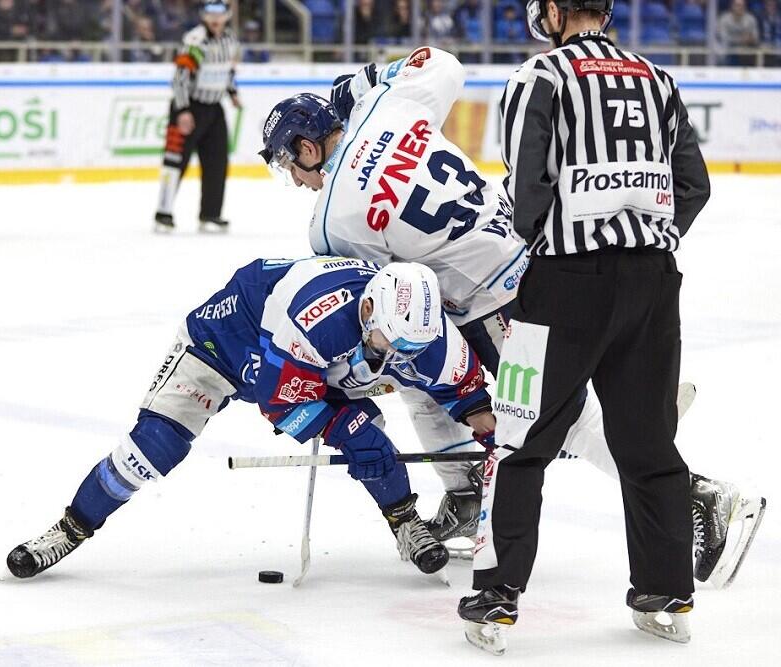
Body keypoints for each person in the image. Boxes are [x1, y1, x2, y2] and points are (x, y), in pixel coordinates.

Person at [259, 47, 764, 587]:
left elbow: (381, 296)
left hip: (493, 303)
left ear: (309, 147)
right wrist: (364, 83)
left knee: (555, 417)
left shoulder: (331, 223)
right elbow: (443, 62)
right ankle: (465, 492)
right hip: (537, 257)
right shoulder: (390, 106)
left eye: (291, 166)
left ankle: (695, 495)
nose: (296, 181)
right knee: (425, 385)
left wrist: (357, 370)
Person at [455, 0, 739, 654]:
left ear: (553, 10)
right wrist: (644, 245)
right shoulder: (657, 79)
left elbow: (528, 191)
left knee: (520, 434)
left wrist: (544, 244)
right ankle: (666, 591)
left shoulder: (541, 77)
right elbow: (692, 187)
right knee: (648, 441)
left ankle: (496, 593)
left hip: (560, 287)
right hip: (653, 285)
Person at [6, 258, 499, 580]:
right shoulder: (316, 318)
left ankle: (404, 521)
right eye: (397, 344)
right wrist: (346, 430)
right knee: (152, 450)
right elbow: (281, 403)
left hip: (307, 362)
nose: (406, 356)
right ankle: (70, 527)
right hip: (220, 349)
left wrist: (491, 429)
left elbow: (465, 392)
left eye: (416, 347)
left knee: (366, 436)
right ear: (368, 308)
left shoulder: (418, 327)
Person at [154, 0, 241, 234]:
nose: (215, 18)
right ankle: (163, 213)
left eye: (219, 13)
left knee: (217, 162)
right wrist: (182, 110)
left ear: (227, 15)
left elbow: (228, 71)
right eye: (210, 13)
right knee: (175, 161)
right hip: (189, 108)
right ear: (203, 15)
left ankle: (210, 214)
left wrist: (232, 93)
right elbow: (180, 77)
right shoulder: (195, 40)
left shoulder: (230, 40)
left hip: (214, 108)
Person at [718, 0, 760, 65]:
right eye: (737, 5)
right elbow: (724, 38)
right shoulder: (724, 19)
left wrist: (750, 39)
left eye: (742, 6)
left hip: (746, 52)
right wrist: (740, 40)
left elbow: (755, 37)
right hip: (729, 50)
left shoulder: (750, 19)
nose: (740, 8)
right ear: (732, 6)